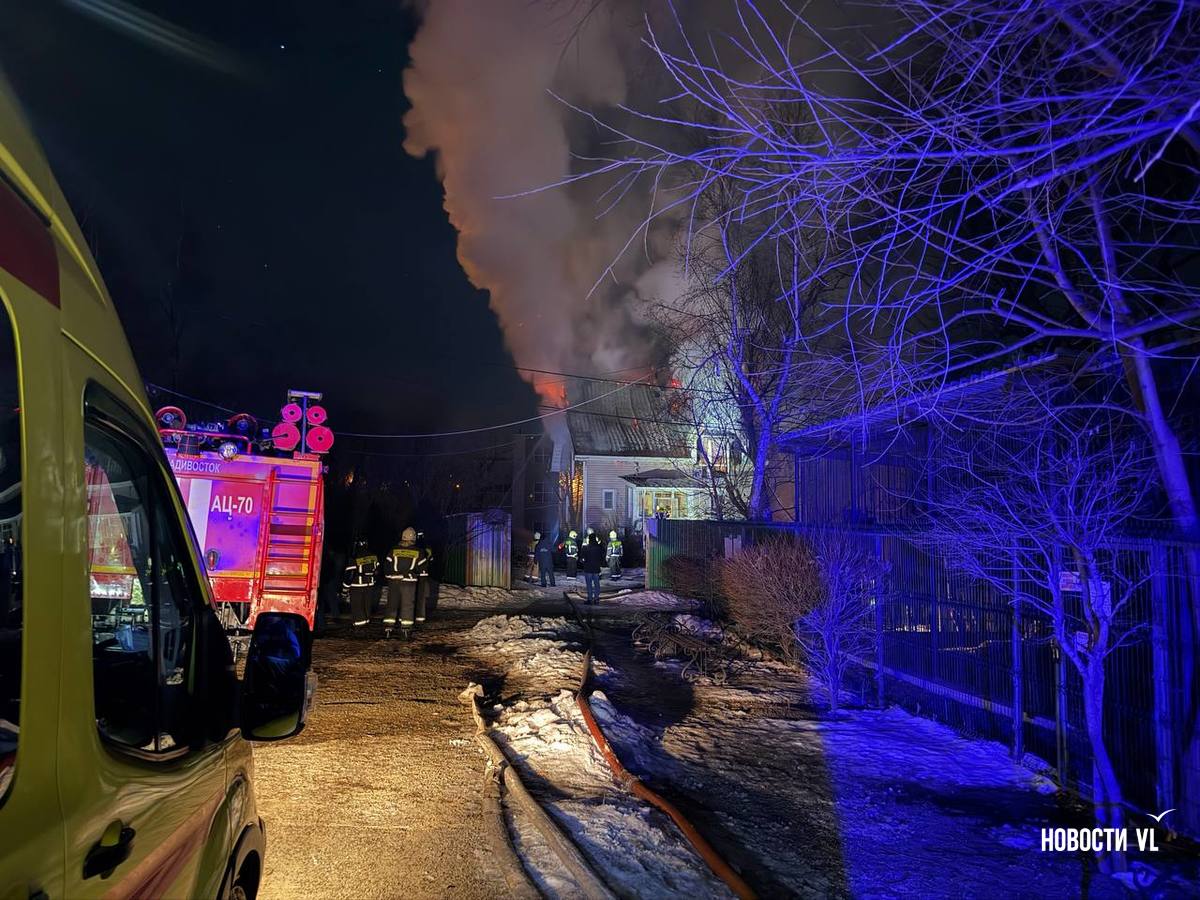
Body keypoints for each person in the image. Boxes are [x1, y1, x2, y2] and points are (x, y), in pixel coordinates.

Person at [384, 527, 421, 633]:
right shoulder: (418, 551)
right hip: (409, 582)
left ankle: (389, 625)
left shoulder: (393, 550)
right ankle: (406, 627)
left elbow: (387, 565)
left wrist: (389, 576)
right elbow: (422, 567)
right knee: (408, 604)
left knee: (392, 602)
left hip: (394, 581)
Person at [342, 539, 378, 627]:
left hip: (356, 586)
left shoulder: (354, 557)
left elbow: (350, 574)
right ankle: (366, 622)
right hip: (369, 585)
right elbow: (377, 571)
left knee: (357, 606)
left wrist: (345, 588)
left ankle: (359, 626)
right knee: (367, 605)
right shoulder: (373, 556)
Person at [579, 532, 604, 605]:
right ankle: (596, 599)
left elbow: (582, 559)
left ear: (589, 539)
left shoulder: (585, 548)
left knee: (589, 585)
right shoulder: (599, 548)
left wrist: (583, 561)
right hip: (596, 569)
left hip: (588, 569)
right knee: (597, 584)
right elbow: (602, 558)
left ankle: (590, 599)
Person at [416, 532, 437, 620]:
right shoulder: (427, 547)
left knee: (410, 594)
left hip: (412, 573)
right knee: (422, 594)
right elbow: (431, 559)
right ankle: (420, 615)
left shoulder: (414, 546)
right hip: (423, 573)